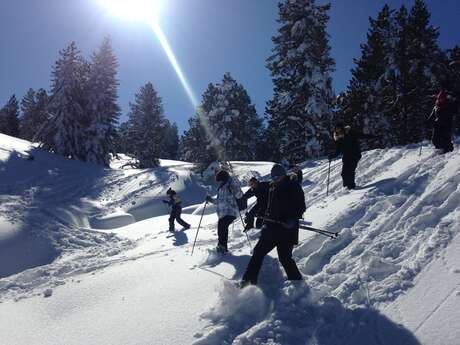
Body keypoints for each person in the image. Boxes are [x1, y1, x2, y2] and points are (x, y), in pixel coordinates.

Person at [240, 164, 306, 286]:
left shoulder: (293, 186)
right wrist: (255, 214)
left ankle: (297, 282)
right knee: (258, 252)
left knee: (285, 257)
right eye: (273, 177)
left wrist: (291, 219)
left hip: (287, 230)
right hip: (271, 228)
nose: (275, 179)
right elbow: (266, 205)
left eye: (277, 176)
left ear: (283, 175)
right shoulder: (272, 187)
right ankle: (247, 282)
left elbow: (301, 207)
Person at [206, 169, 243, 253]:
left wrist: (234, 189)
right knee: (220, 228)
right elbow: (219, 201)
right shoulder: (221, 188)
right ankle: (221, 246)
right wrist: (211, 200)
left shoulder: (231, 183)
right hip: (222, 213)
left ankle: (223, 247)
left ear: (223, 178)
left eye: (220, 180)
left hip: (231, 211)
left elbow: (240, 195)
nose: (219, 182)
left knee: (223, 226)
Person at [329, 124, 362, 189]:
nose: (338, 130)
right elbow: (338, 151)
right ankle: (346, 187)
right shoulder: (339, 138)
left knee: (350, 171)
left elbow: (361, 135)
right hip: (346, 156)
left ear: (342, 128)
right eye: (336, 129)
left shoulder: (349, 133)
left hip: (355, 155)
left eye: (339, 128)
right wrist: (332, 156)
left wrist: (374, 136)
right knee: (344, 173)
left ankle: (351, 187)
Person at [427, 87, 456, 153]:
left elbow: (455, 111)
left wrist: (453, 102)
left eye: (442, 98)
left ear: (445, 98)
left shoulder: (449, 105)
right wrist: (428, 122)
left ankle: (448, 150)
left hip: (447, 125)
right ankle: (443, 148)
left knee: (446, 139)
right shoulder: (436, 106)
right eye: (439, 98)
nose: (441, 100)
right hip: (437, 124)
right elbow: (432, 115)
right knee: (435, 140)